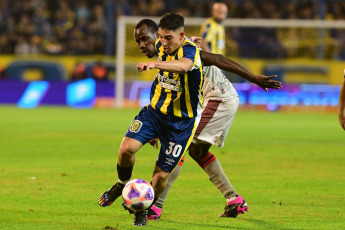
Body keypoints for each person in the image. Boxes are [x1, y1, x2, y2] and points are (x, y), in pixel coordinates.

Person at [131, 19, 281, 220]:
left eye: (145, 40)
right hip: (207, 100)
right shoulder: (167, 52)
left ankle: (155, 206)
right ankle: (234, 199)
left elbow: (217, 58)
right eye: (138, 42)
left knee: (182, 146)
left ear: (157, 37)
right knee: (196, 150)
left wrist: (253, 78)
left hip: (218, 97)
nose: (142, 46)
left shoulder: (187, 51)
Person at [98, 13, 204, 227]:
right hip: (155, 113)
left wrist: (155, 64)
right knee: (126, 149)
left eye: (167, 39)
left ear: (180, 36)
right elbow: (163, 42)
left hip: (180, 124)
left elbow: (184, 65)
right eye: (160, 38)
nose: (162, 43)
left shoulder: (190, 51)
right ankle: (121, 185)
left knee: (160, 176)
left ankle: (141, 210)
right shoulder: (162, 42)